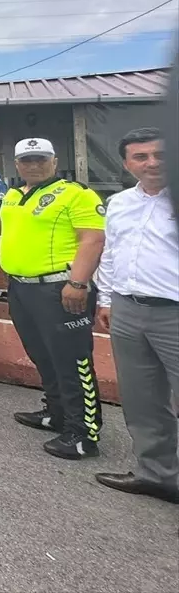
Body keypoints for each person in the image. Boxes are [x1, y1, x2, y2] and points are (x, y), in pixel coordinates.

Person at [0, 137, 106, 459]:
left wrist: (78, 282)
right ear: (17, 165)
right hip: (21, 287)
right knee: (41, 354)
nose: (34, 165)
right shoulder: (14, 195)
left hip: (60, 289)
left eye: (41, 159)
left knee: (73, 360)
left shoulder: (77, 194)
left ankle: (83, 433)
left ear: (54, 161)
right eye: (27, 160)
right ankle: (56, 413)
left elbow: (93, 240)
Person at [92, 128, 178, 503]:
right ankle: (158, 474)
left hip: (173, 312)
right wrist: (106, 300)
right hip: (128, 308)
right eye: (140, 157)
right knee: (142, 399)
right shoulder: (120, 203)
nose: (152, 163)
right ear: (127, 164)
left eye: (158, 155)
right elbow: (111, 253)